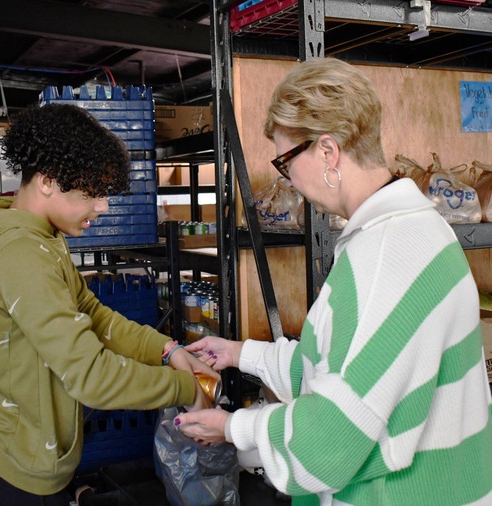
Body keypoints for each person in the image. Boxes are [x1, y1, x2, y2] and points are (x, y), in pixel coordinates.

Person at [175, 58, 492, 505]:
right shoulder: (419, 227)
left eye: (286, 160)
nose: (289, 178)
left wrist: (232, 428)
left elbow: (331, 438)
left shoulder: (383, 256)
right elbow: (346, 370)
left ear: (327, 151)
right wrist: (241, 354)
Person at [0, 103, 216, 505]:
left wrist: (166, 349)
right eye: (92, 193)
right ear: (47, 181)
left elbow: (91, 313)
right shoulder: (23, 254)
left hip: (25, 452)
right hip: (7, 469)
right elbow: (92, 376)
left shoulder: (42, 237)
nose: (103, 207)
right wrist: (186, 388)